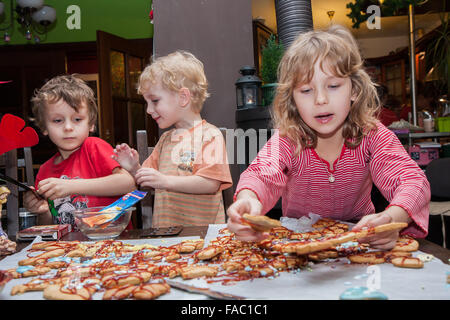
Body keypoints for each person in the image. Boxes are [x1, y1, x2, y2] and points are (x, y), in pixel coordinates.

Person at [227, 25, 430, 249]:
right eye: (306, 90)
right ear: (292, 100)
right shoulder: (288, 139)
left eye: (333, 86)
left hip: (360, 242)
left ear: (354, 90)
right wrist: (248, 200)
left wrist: (392, 219)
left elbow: (413, 182)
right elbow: (261, 174)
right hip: (298, 245)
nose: (321, 99)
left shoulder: (373, 136)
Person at [113, 51, 232, 227]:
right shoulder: (165, 139)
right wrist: (134, 168)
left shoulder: (209, 135)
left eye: (154, 101)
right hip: (165, 237)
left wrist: (165, 180)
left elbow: (210, 183)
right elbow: (149, 183)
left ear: (183, 97)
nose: (148, 110)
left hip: (201, 238)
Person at [23, 75, 136, 228]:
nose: (68, 127)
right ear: (44, 127)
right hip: (69, 248)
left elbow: (128, 183)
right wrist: (42, 212)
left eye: (77, 119)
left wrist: (71, 186)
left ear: (91, 124)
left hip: (113, 242)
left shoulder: (94, 147)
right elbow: (49, 227)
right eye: (58, 120)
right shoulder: (44, 171)